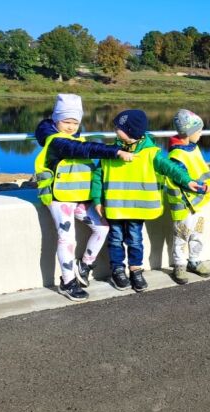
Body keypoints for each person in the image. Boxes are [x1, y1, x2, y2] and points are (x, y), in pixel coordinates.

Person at [33, 94, 134, 301]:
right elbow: (82, 150)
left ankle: (85, 264)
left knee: (102, 227)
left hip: (79, 196)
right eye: (66, 122)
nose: (70, 126)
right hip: (58, 198)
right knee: (67, 239)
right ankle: (67, 282)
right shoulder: (57, 142)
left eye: (75, 122)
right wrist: (115, 151)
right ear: (55, 120)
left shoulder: (75, 137)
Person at [91, 109, 202, 292]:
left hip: (136, 209)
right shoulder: (111, 151)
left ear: (131, 131)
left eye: (119, 127)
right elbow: (98, 176)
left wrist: (187, 180)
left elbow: (170, 168)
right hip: (114, 207)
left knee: (135, 239)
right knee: (116, 239)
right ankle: (118, 270)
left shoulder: (151, 153)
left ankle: (136, 270)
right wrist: (97, 199)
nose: (116, 129)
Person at [165, 109, 210, 284]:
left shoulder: (194, 149)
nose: (201, 133)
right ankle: (179, 264)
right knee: (181, 235)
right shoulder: (177, 155)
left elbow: (200, 170)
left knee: (198, 234)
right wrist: (203, 189)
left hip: (198, 203)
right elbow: (182, 180)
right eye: (199, 130)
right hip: (184, 205)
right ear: (188, 133)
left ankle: (194, 260)